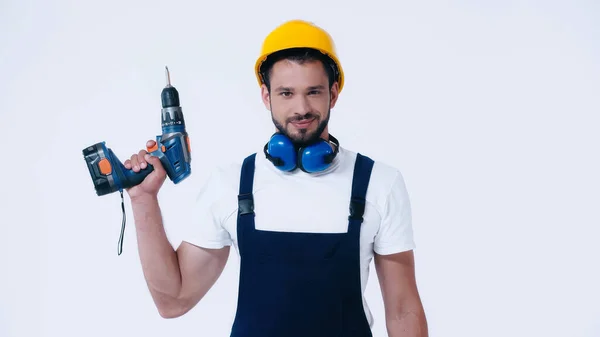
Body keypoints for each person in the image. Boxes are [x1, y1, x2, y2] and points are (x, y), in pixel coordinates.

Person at [123, 19, 428, 337]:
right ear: (266, 96)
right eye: (286, 93)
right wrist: (143, 200)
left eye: (314, 92)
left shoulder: (379, 183)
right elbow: (173, 301)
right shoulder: (232, 185)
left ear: (333, 94)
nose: (301, 107)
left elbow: (403, 309)